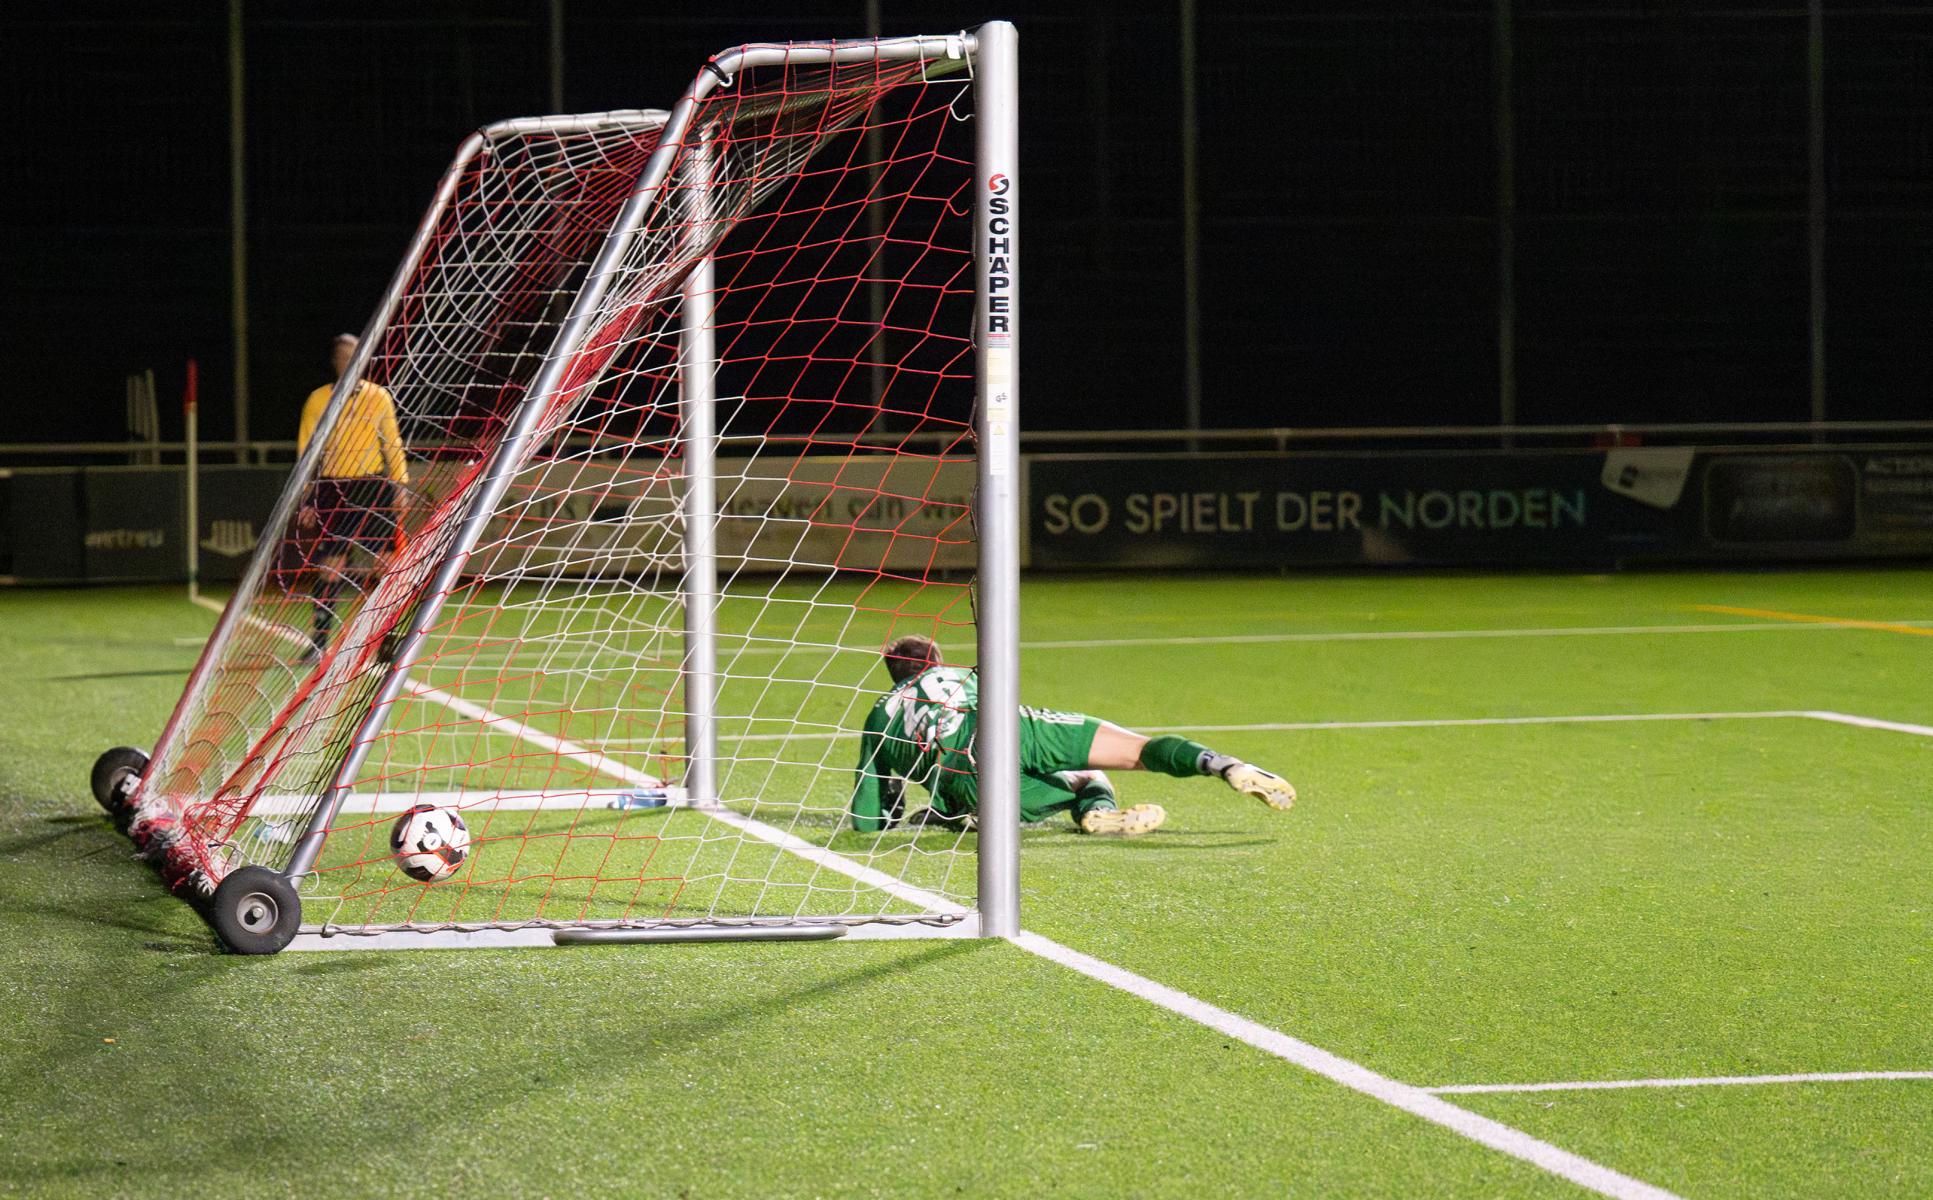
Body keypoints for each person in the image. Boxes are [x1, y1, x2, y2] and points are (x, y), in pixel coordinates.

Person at [849, 634, 1295, 837]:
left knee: (1074, 784)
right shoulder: (962, 675)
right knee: (1129, 754)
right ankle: (1222, 765)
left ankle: (1090, 814)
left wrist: (889, 817)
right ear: (937, 660)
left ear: (893, 673)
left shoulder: (880, 714)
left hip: (964, 779)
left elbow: (868, 816)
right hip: (1011, 726)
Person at [296, 333, 410, 657]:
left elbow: (392, 442)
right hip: (333, 488)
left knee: (386, 565)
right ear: (335, 361)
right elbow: (307, 451)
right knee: (331, 566)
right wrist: (307, 497)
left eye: (355, 356)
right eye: (344, 356)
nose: (349, 362)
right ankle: (319, 641)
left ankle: (386, 639)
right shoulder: (318, 400)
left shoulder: (378, 396)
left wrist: (400, 485)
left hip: (372, 486)